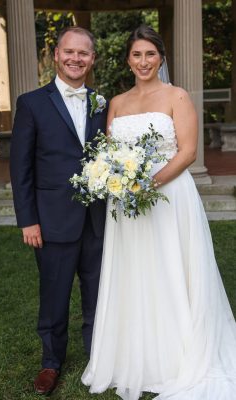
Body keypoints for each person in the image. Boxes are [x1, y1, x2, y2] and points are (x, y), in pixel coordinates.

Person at [82, 24, 236, 400]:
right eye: (137, 54)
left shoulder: (177, 96)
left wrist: (146, 184)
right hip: (127, 207)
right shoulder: (116, 103)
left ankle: (176, 356)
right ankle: (135, 356)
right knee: (134, 272)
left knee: (170, 267)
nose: (144, 61)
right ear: (128, 60)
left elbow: (187, 152)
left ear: (161, 58)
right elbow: (109, 153)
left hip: (168, 198)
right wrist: (114, 179)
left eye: (150, 54)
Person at [10, 26, 107, 396]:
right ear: (56, 55)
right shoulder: (32, 103)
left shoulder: (102, 103)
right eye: (69, 52)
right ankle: (51, 362)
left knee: (98, 294)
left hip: (97, 221)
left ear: (92, 59)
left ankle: (97, 357)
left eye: (83, 53)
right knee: (54, 295)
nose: (75, 59)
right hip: (50, 221)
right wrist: (28, 220)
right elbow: (20, 169)